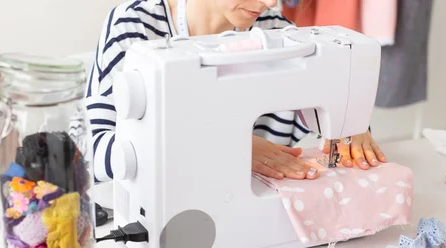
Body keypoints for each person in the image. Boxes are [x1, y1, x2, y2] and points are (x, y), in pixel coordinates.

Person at [86, 0, 386, 183]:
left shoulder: (277, 32)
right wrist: (230, 146)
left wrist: (352, 123)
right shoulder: (134, 27)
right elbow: (97, 155)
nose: (269, 2)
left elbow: (330, 97)